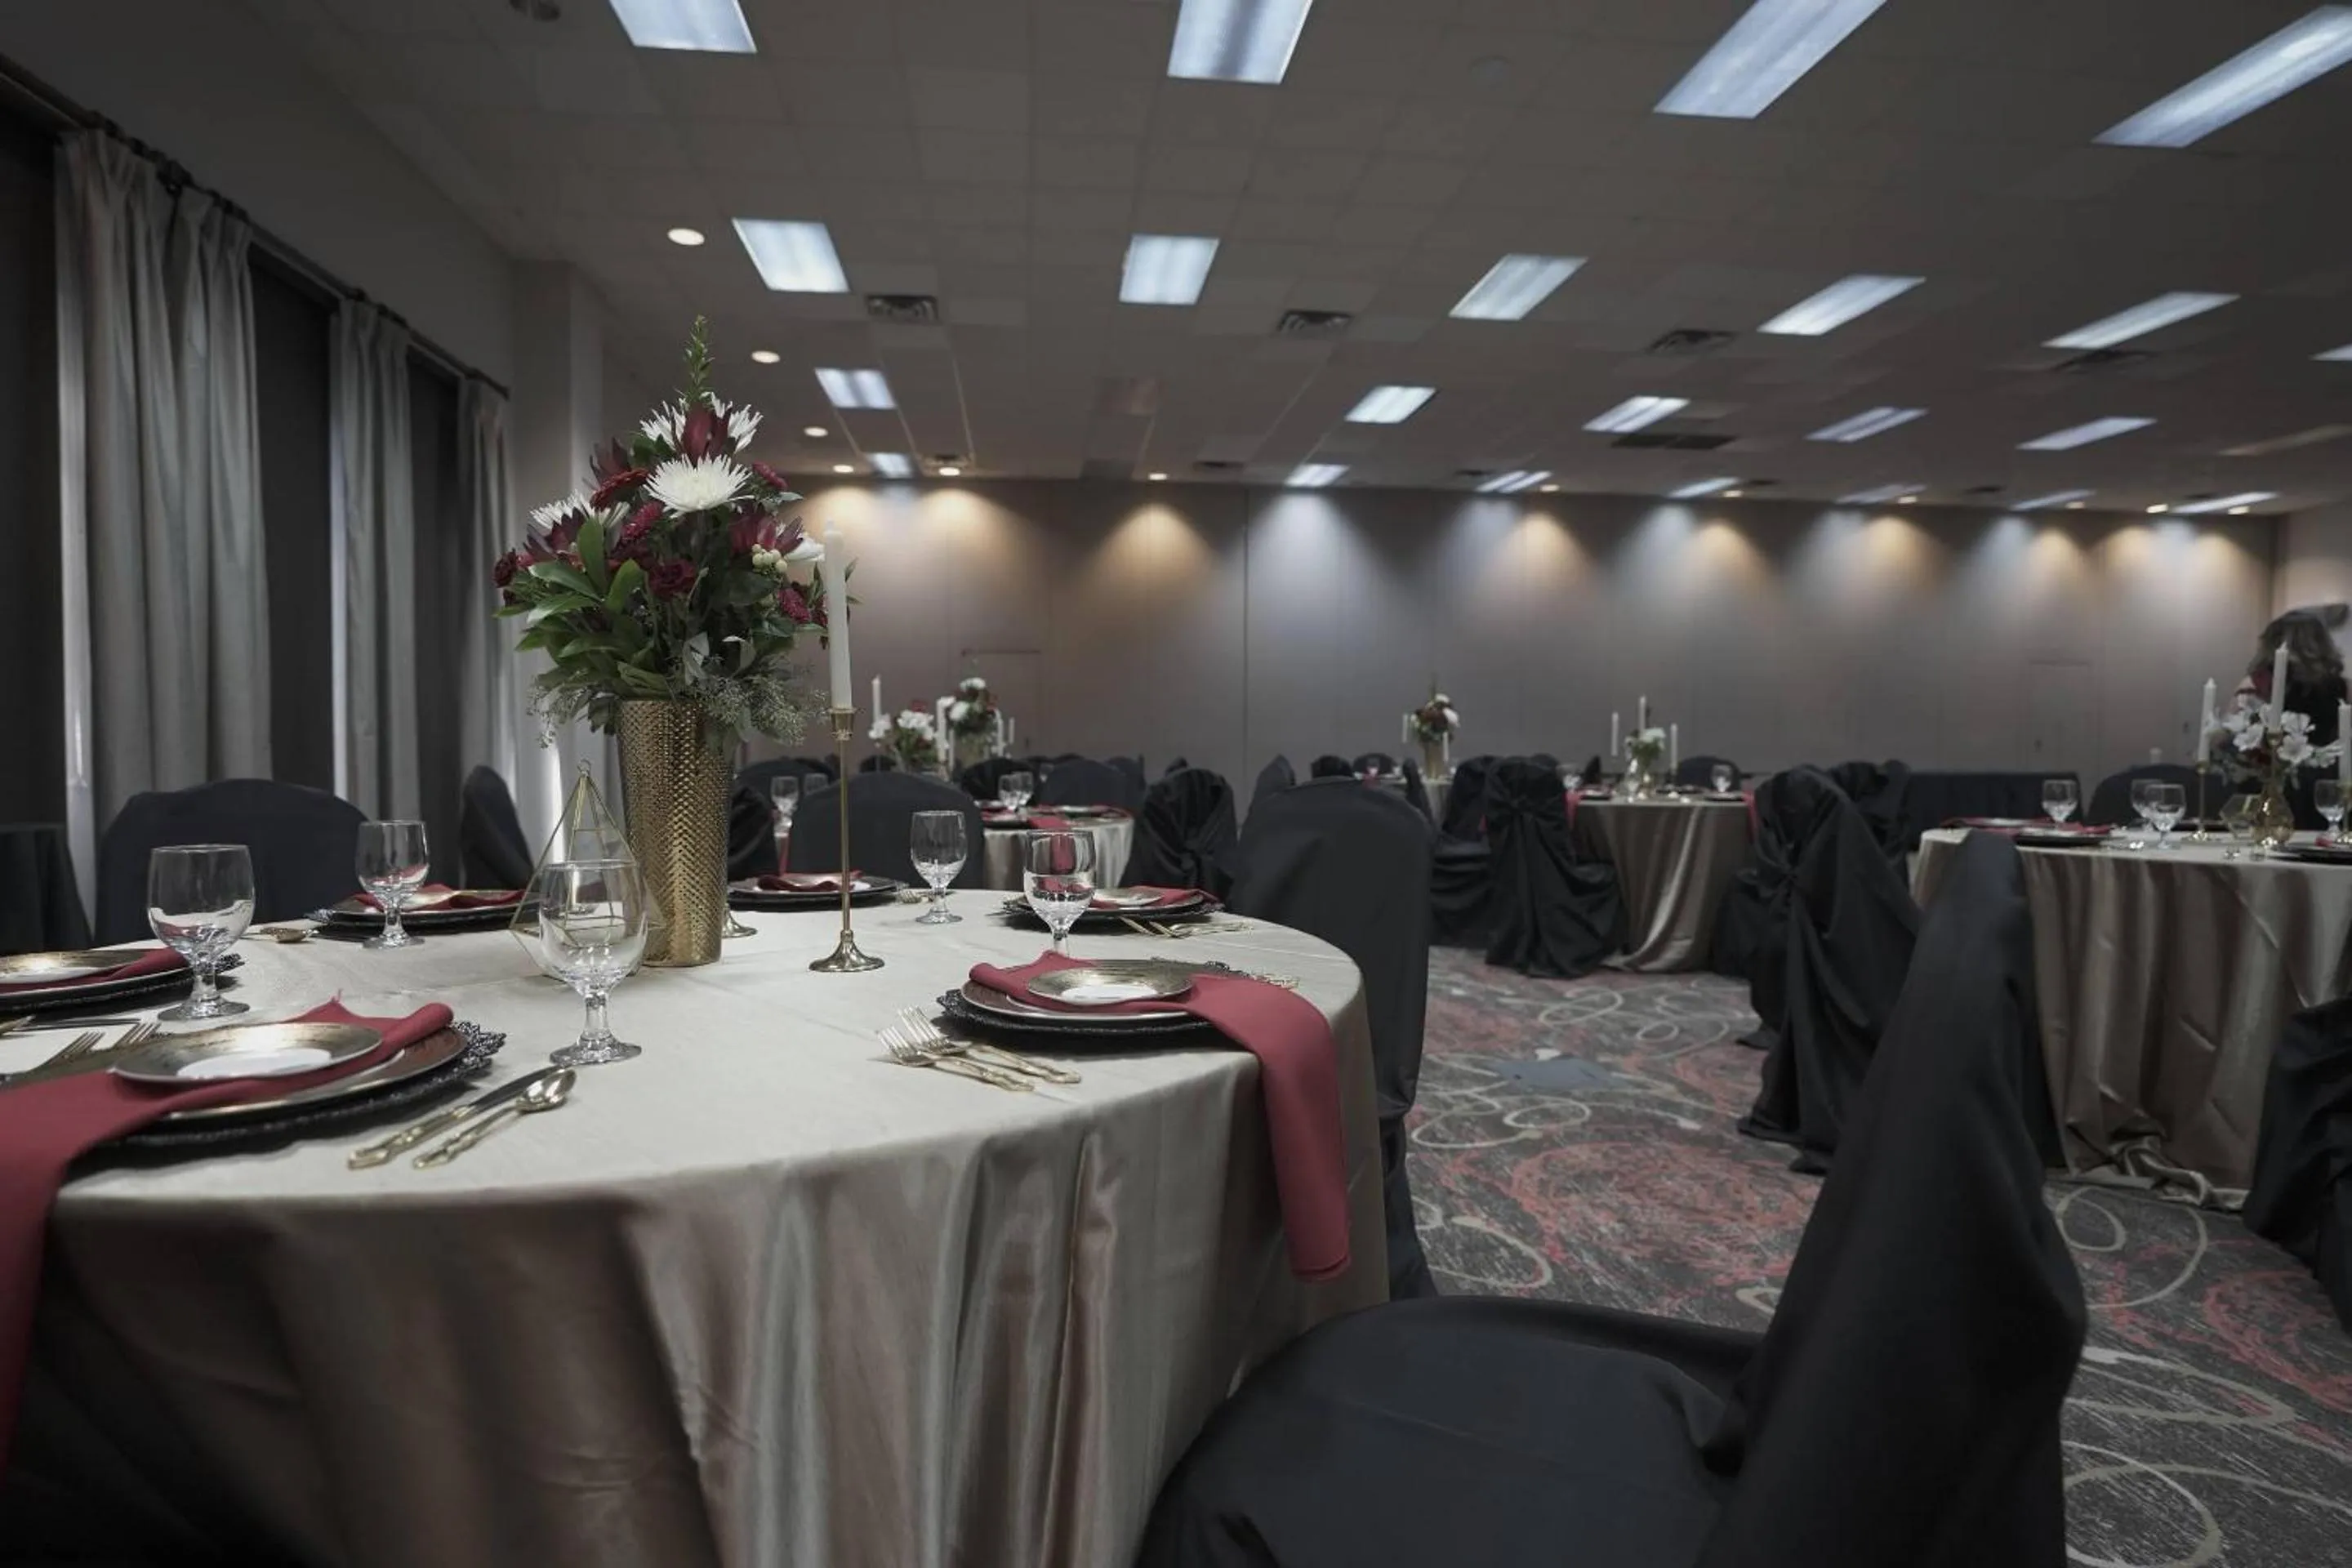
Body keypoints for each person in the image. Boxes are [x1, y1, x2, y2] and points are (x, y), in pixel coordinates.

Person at [2236, 610, 2350, 746]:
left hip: (2272, 756)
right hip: (2325, 757)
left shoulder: (2258, 681)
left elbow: (2232, 730)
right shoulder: (2342, 686)